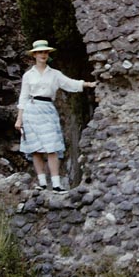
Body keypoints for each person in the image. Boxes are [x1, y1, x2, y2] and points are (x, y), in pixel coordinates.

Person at [14, 40, 96, 191]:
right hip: (31, 111)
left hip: (48, 110)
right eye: (40, 52)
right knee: (35, 148)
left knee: (51, 147)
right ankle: (42, 183)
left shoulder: (54, 74)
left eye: (45, 52)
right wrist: (19, 119)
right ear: (34, 55)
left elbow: (70, 83)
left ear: (48, 55)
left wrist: (88, 84)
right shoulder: (28, 75)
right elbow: (23, 97)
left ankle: (56, 184)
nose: (43, 55)